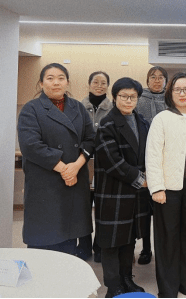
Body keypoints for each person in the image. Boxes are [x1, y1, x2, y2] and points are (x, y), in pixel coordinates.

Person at [18, 63, 95, 255]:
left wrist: (76, 166)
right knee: (44, 243)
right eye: (50, 78)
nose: (56, 83)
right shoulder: (31, 109)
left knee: (68, 242)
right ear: (41, 83)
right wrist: (64, 169)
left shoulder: (78, 107)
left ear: (67, 82)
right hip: (45, 182)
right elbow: (31, 146)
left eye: (61, 78)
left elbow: (91, 139)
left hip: (74, 180)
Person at [146, 73, 186, 298]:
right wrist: (157, 187)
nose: (182, 94)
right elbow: (152, 155)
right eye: (177, 90)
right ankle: (168, 287)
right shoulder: (161, 119)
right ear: (170, 93)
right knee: (168, 237)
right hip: (168, 188)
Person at [95, 78, 151, 298]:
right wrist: (140, 178)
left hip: (136, 194)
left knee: (129, 238)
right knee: (111, 241)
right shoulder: (107, 124)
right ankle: (113, 285)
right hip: (114, 191)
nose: (128, 101)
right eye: (124, 96)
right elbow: (112, 161)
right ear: (115, 97)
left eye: (133, 97)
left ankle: (127, 279)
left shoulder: (142, 121)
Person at [135, 66, 169, 265]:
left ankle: (163, 249)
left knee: (163, 210)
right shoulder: (139, 100)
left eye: (161, 77)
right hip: (143, 161)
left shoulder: (170, 100)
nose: (157, 80)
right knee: (145, 211)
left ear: (166, 81)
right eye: (153, 77)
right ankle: (146, 248)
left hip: (167, 162)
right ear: (147, 81)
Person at [79, 71, 113, 263]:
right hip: (82, 165)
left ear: (108, 86)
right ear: (89, 84)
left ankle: (100, 245)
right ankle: (83, 245)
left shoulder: (113, 108)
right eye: (95, 82)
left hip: (105, 166)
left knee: (103, 208)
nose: (99, 86)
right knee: (83, 208)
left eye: (103, 82)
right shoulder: (78, 107)